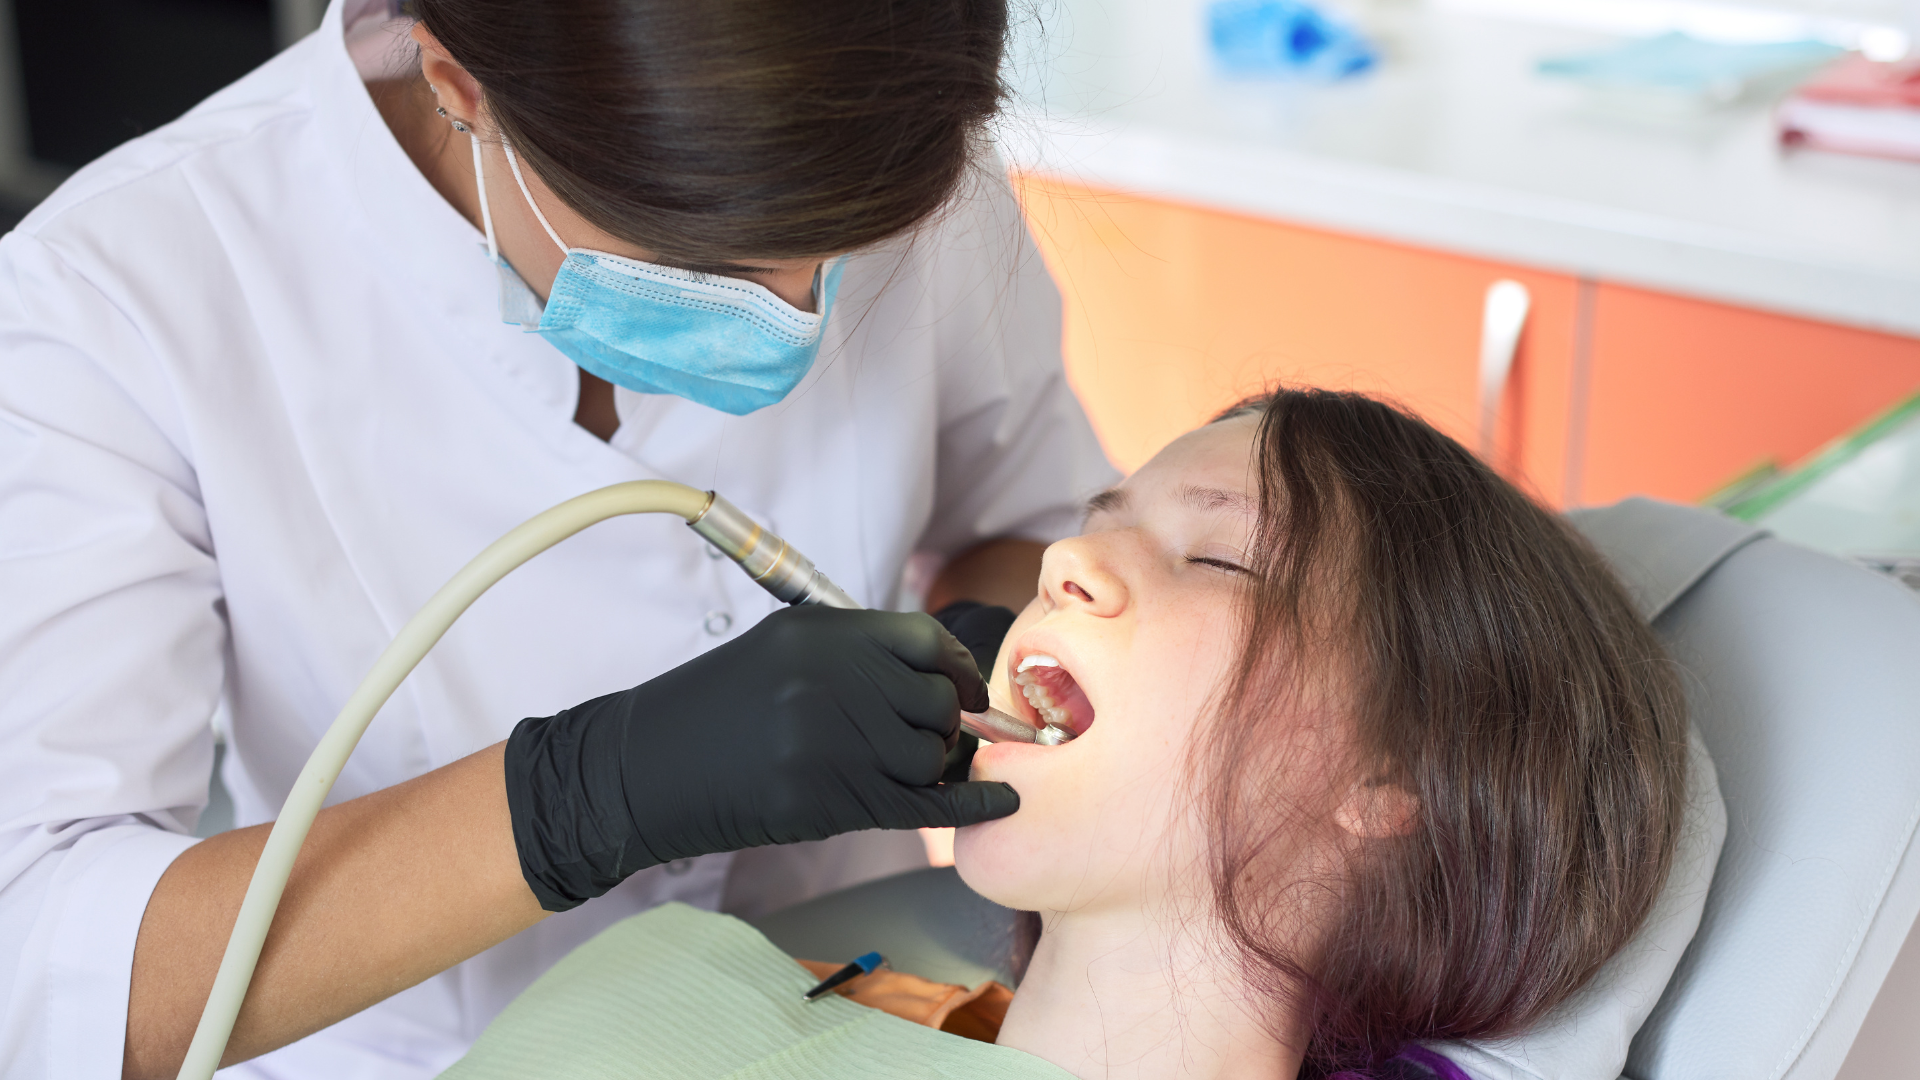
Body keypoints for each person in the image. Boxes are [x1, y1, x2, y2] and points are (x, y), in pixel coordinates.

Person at [0, 0, 1117, 1077]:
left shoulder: (878, 120)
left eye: (839, 258)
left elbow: (1028, 521)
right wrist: (585, 799)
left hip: (869, 997)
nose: (792, 312)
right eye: (707, 260)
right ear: (457, 86)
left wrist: (1001, 639)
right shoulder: (117, 299)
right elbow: (44, 964)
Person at [437, 388, 1692, 1080]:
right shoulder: (685, 991)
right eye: (1103, 516)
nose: (1068, 557)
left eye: (1216, 554)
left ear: (1393, 777)